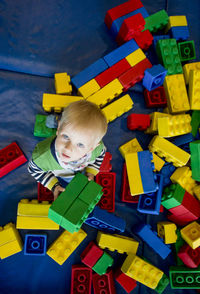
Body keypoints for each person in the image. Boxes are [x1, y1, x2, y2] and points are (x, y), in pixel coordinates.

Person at [28, 100, 107, 199]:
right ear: (59, 129)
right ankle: (54, 122)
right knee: (53, 123)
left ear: (91, 148)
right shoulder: (42, 157)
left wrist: (91, 171)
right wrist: (54, 186)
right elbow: (34, 170)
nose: (68, 149)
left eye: (80, 144)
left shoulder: (97, 150)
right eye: (66, 137)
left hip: (79, 170)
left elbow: (101, 154)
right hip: (61, 173)